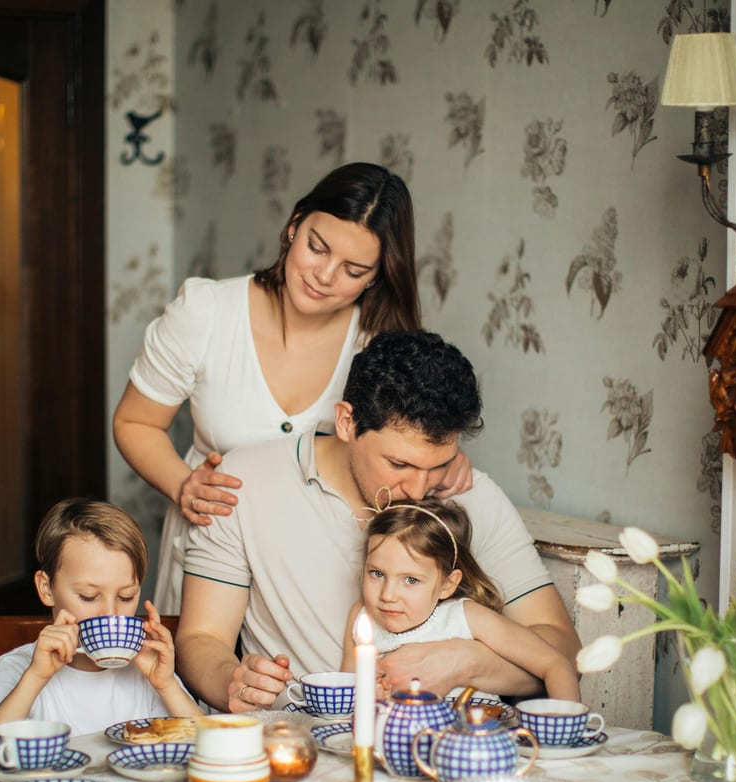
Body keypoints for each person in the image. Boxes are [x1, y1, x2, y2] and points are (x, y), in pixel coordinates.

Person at [112, 162, 470, 617]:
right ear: (294, 225)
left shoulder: (379, 343)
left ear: (377, 276)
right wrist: (184, 485)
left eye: (353, 269)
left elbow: (412, 435)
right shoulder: (206, 314)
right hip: (212, 559)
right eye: (316, 248)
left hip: (318, 579)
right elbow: (134, 421)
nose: (325, 275)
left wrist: (443, 459)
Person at [174, 330, 582, 713]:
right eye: (399, 463)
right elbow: (201, 638)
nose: (420, 490)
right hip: (304, 740)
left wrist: (465, 662)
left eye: (438, 465)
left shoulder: (473, 495)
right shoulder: (242, 481)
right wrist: (232, 679)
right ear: (347, 422)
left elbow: (560, 650)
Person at [0, 499, 200, 773]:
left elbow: (217, 751)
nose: (111, 614)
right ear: (47, 589)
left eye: (126, 596)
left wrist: (168, 686)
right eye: (88, 596)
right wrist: (36, 677)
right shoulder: (17, 669)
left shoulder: (150, 676)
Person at [340, 499, 578, 702]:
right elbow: (347, 696)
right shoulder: (361, 618)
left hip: (473, 745)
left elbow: (555, 664)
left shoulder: (467, 618)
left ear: (447, 585)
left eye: (411, 580)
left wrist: (562, 733)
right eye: (377, 574)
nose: (387, 595)